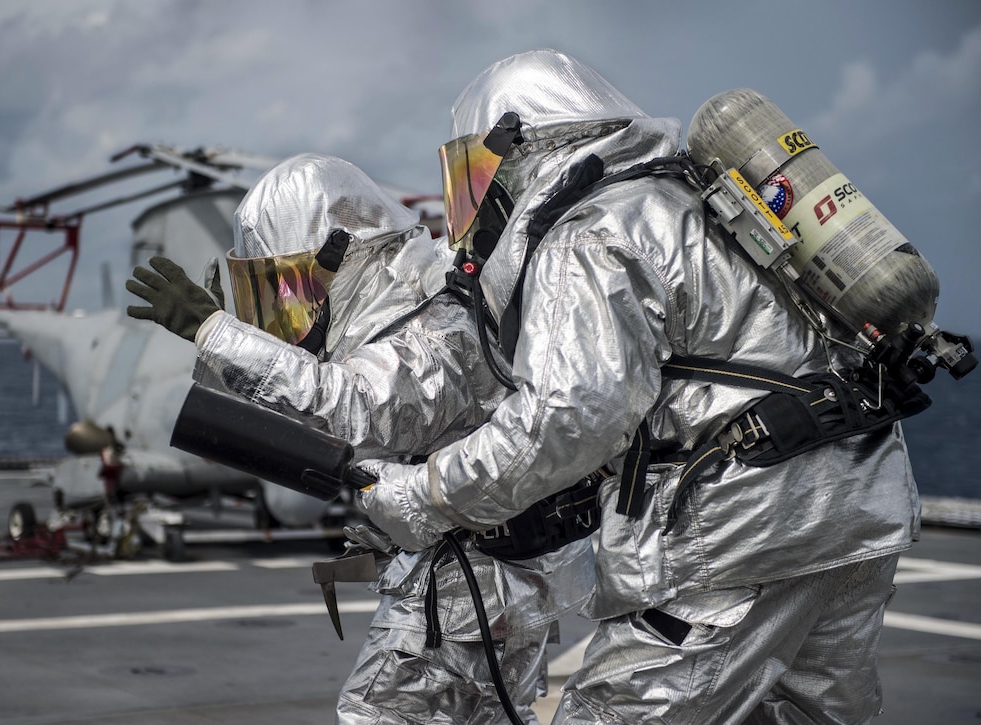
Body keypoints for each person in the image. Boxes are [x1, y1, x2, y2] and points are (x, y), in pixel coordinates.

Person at [356, 49, 920, 723]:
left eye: (477, 172)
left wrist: (426, 493)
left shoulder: (591, 231)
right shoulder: (688, 199)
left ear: (519, 148)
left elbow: (568, 417)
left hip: (745, 529)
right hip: (856, 500)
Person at [125, 152, 596, 724]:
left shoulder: (437, 327)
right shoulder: (410, 321)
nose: (287, 313)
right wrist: (234, 353)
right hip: (480, 586)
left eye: (290, 289)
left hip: (467, 594)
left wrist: (216, 333)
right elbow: (319, 414)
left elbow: (353, 409)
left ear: (344, 261)